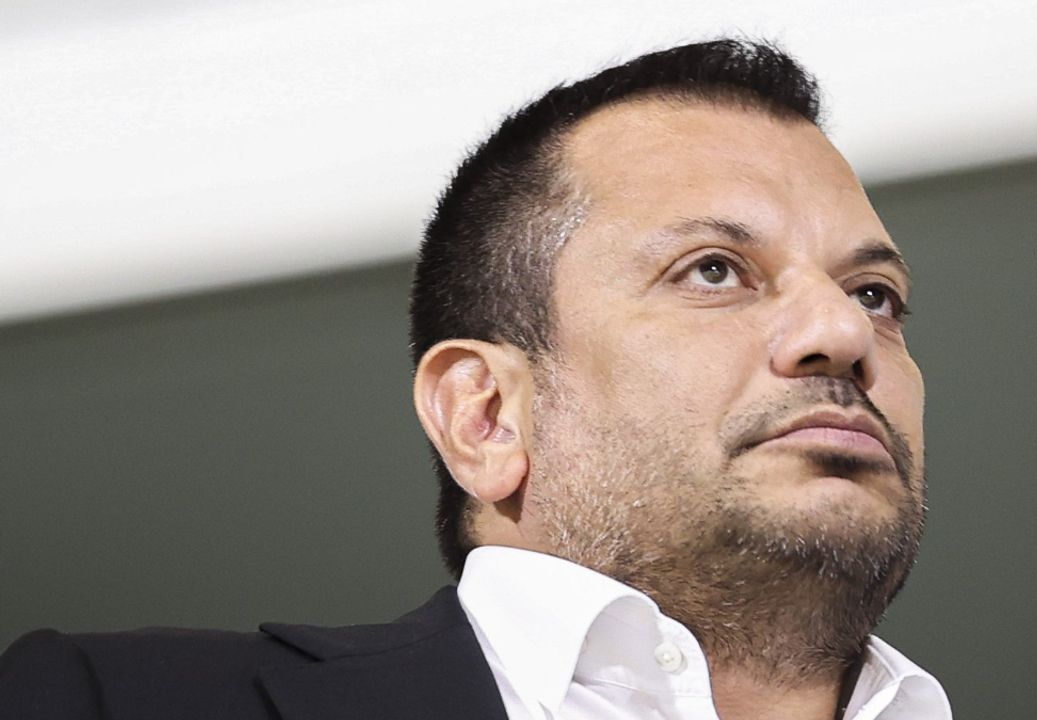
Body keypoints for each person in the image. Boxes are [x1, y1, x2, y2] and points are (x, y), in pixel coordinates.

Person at [0, 39, 950, 719]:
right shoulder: (100, 702)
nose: (842, 332)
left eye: (874, 294)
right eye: (712, 270)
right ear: (486, 416)